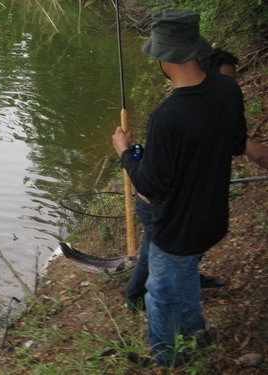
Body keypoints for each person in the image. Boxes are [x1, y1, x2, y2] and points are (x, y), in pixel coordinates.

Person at [112, 9, 249, 365]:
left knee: (162, 293)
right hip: (213, 217)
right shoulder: (227, 88)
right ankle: (195, 333)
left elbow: (151, 186)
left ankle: (168, 359)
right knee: (183, 281)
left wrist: (125, 153)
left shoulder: (168, 116)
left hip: (177, 230)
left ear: (161, 57)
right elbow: (236, 143)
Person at [125, 47, 268, 312]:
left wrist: (124, 152)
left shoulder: (195, 106)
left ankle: (175, 306)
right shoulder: (177, 113)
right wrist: (126, 154)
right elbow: (151, 184)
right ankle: (136, 296)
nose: (231, 82)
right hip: (162, 207)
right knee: (156, 258)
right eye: (226, 76)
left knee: (166, 264)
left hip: (184, 218)